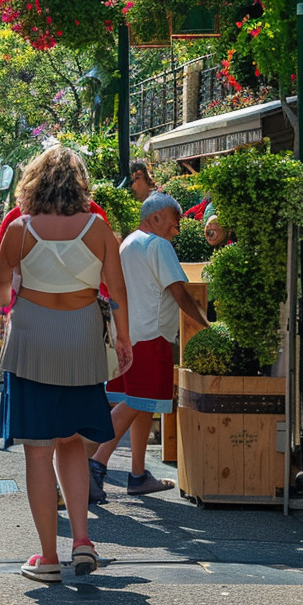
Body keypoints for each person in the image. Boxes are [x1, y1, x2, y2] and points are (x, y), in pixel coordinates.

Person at [0, 146, 132, 583]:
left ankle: (48, 556)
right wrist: (124, 339)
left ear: (33, 182)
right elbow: (119, 292)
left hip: (33, 336)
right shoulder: (99, 229)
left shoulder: (19, 229)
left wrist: (10, 314)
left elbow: (1, 289)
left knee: (38, 449)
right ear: (80, 185)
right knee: (73, 441)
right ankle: (83, 542)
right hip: (81, 337)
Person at [89, 193, 209, 500]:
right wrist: (206, 326)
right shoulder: (159, 245)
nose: (176, 229)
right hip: (151, 335)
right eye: (174, 221)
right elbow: (180, 294)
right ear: (155, 217)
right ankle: (95, 464)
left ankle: (138, 474)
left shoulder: (129, 242)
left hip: (127, 333)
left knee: (139, 404)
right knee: (137, 401)